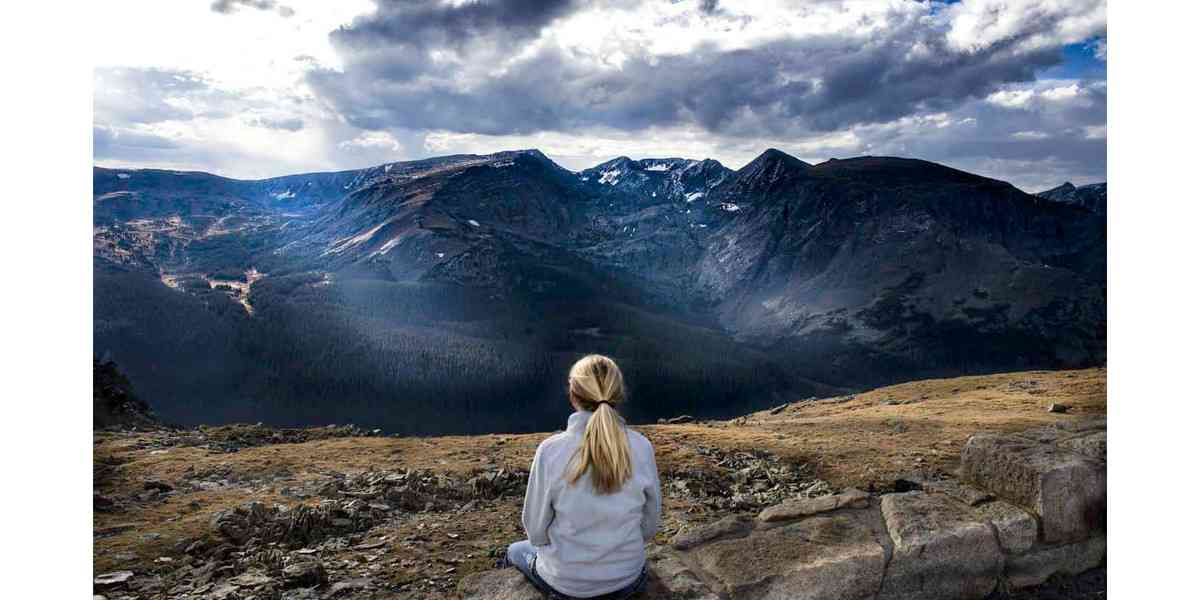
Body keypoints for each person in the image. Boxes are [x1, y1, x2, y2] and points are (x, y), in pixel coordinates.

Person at [505, 354, 661, 599]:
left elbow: (535, 532)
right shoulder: (642, 447)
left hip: (566, 584)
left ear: (573, 395)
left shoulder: (551, 450)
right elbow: (650, 526)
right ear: (618, 394)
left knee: (514, 551)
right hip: (627, 579)